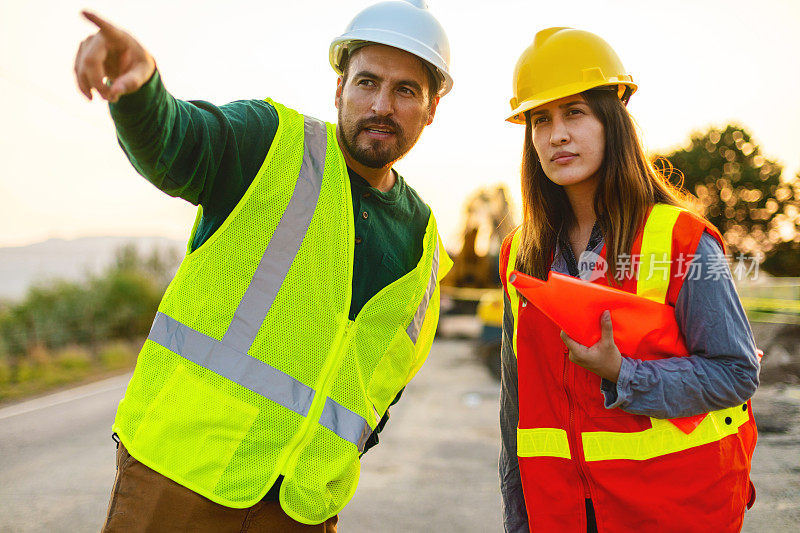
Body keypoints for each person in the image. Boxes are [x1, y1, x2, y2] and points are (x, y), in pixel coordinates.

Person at [73, 1, 453, 530]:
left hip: (300, 509)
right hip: (182, 475)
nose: (381, 105)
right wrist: (142, 93)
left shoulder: (425, 246)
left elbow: (379, 391)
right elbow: (178, 143)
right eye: (367, 82)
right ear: (339, 89)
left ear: (432, 108)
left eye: (405, 90)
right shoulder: (270, 142)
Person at [498, 28, 760, 532]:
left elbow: (736, 373)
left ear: (612, 120)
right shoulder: (518, 256)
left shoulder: (680, 240)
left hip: (669, 511)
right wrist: (518, 520)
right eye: (539, 119)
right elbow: (515, 413)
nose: (556, 135)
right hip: (563, 516)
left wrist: (625, 374)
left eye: (575, 112)